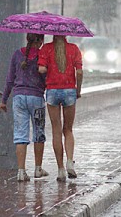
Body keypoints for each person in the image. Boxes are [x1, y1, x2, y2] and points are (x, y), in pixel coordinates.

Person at [0, 33, 49, 182]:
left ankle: (21, 171)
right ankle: (38, 169)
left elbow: (9, 79)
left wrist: (3, 100)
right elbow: (46, 77)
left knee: (21, 135)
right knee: (38, 133)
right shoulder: (42, 55)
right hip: (37, 98)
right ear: (39, 40)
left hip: (18, 98)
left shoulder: (16, 54)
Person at [38, 35, 83, 181]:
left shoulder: (46, 49)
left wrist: (46, 67)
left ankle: (61, 170)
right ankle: (70, 161)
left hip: (52, 91)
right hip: (70, 90)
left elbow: (41, 69)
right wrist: (78, 90)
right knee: (68, 130)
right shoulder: (73, 49)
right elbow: (80, 72)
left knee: (56, 131)